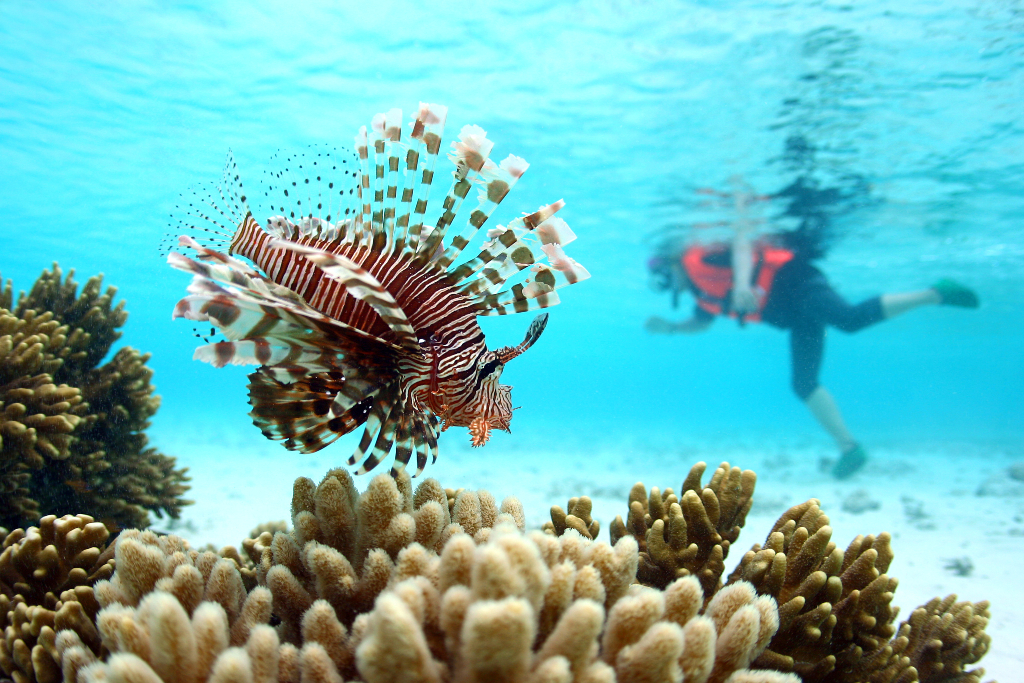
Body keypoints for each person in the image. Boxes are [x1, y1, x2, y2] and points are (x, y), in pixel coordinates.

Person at [646, 189, 979, 479]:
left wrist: (746, 282)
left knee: (848, 319)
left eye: (663, 274)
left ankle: (936, 293)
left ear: (672, 263)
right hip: (795, 316)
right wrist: (671, 328)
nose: (665, 284)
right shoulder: (701, 293)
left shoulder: (700, 258)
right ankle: (850, 448)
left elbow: (742, 245)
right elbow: (702, 323)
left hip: (796, 280)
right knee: (803, 383)